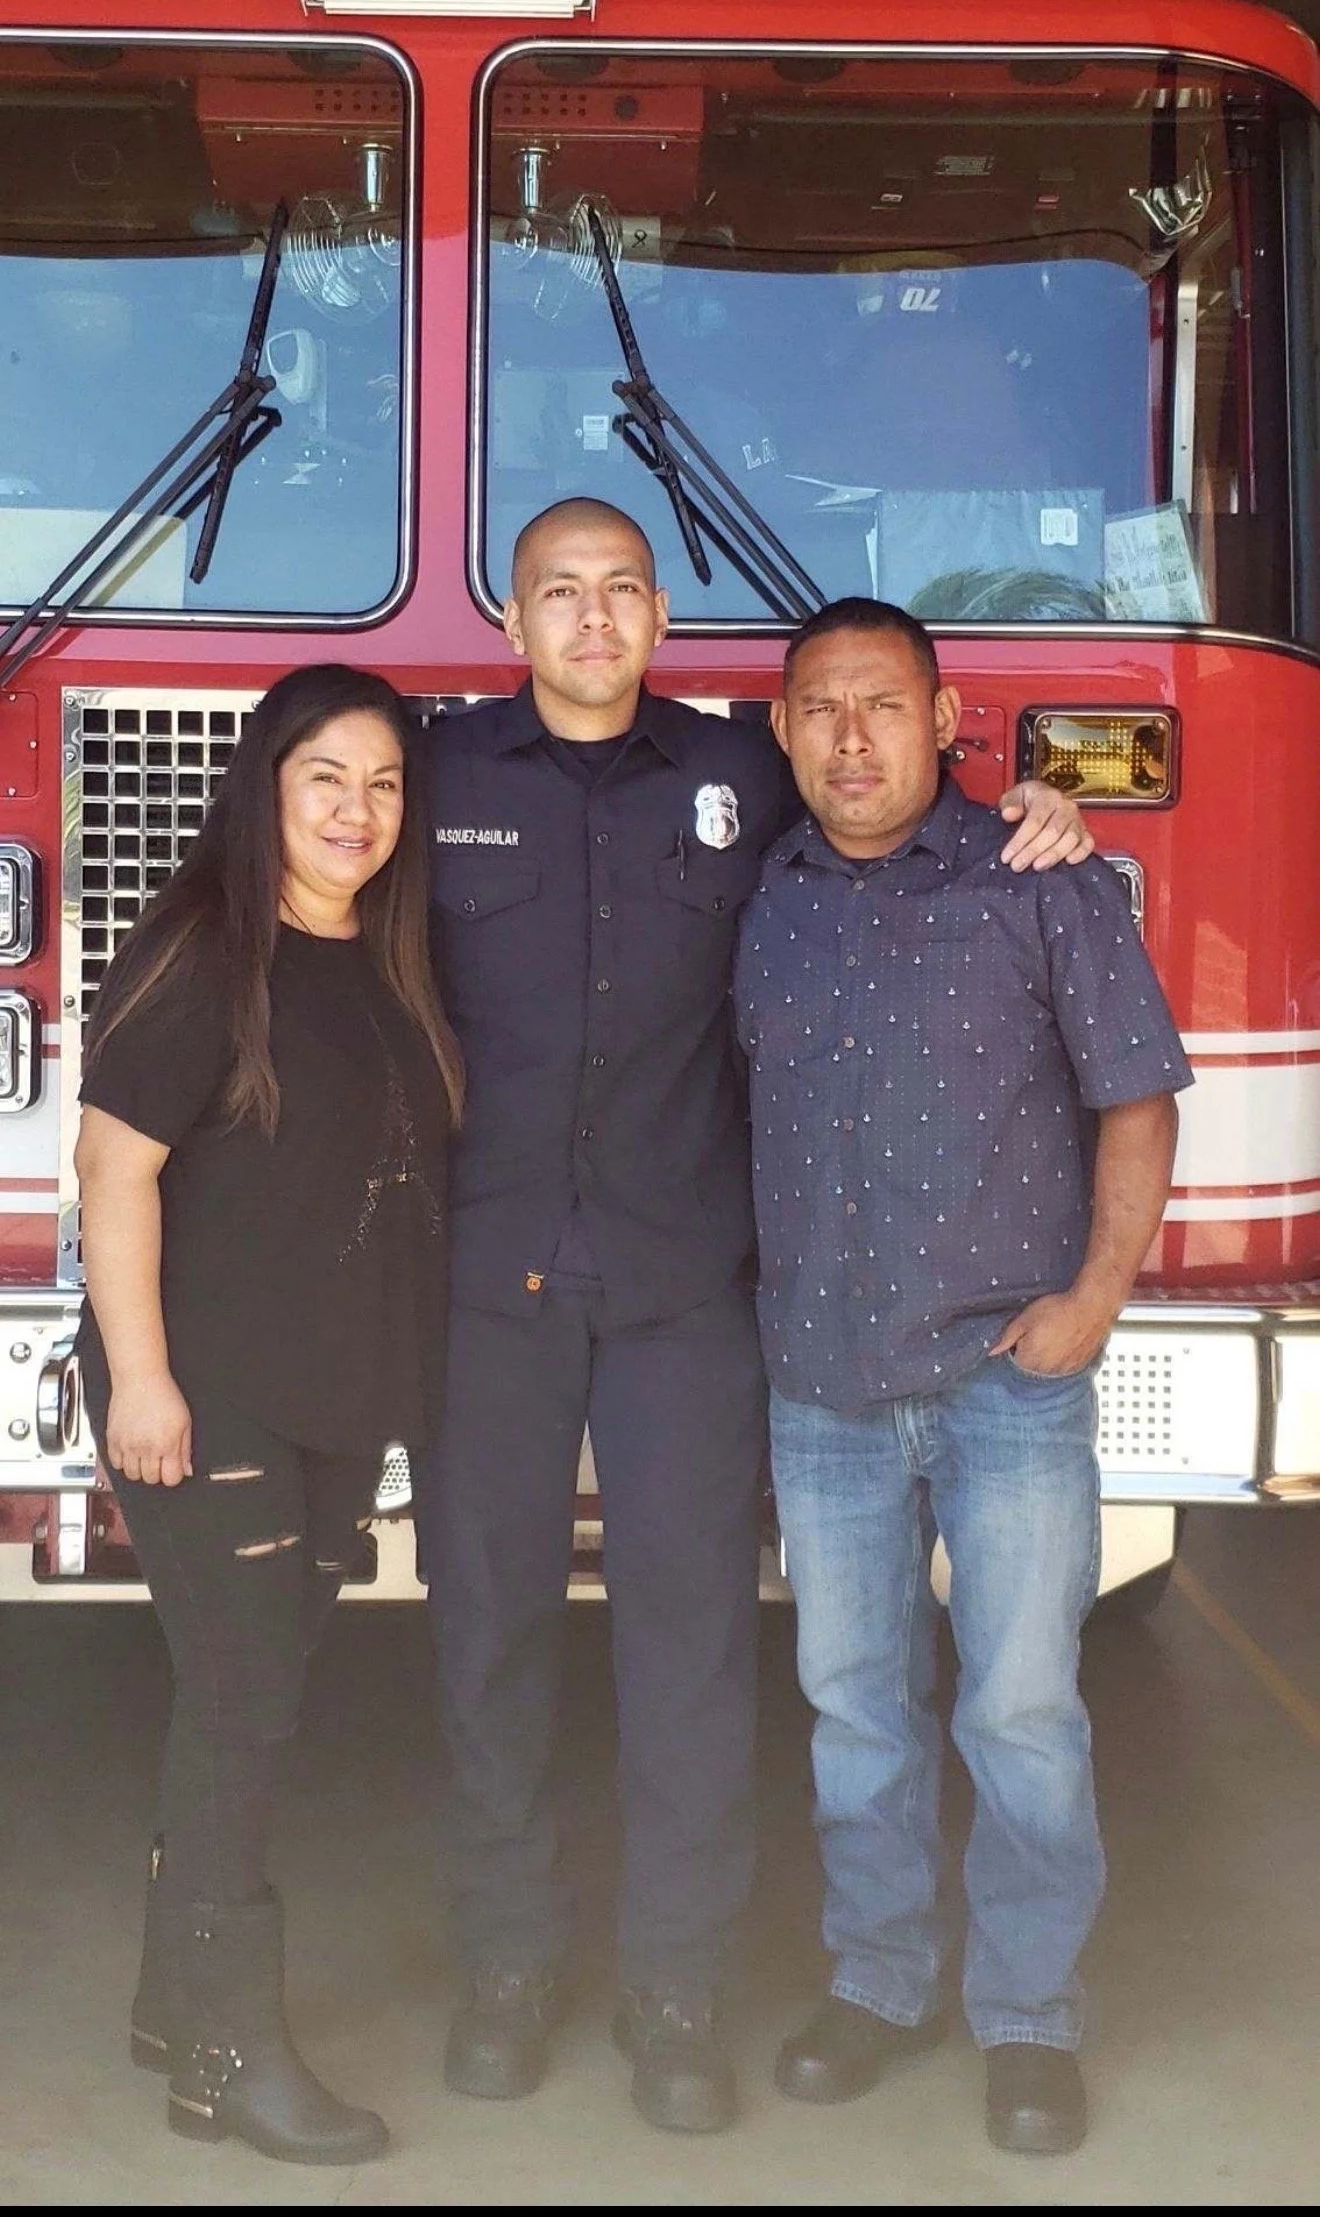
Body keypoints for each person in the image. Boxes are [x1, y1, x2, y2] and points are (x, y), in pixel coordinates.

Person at [415, 500, 1093, 2135]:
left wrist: (1051, 815)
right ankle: (507, 1968)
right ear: (511, 621)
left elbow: (909, 804)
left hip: (685, 1303)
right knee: (487, 1642)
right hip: (487, 1294)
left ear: (662, 614)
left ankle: (676, 1989)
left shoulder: (754, 768)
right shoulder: (429, 775)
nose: (592, 620)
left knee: (695, 1655)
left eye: (622, 592)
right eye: (559, 595)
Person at [733, 597, 1192, 2155]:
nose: (850, 737)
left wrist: (1099, 1296)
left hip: (1010, 1379)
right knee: (856, 1710)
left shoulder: (1038, 874)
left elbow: (1137, 1096)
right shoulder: (759, 891)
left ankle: (1028, 2010)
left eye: (882, 705)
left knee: (1021, 1710)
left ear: (945, 720)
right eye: (819, 708)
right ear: (782, 728)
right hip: (823, 1380)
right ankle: (877, 1985)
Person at [75, 665, 462, 2166]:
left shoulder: (387, 955)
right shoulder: (202, 953)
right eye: (326, 779)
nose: (356, 811)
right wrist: (147, 1377)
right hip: (207, 1385)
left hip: (329, 1389)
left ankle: (175, 2001)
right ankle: (227, 2061)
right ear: (265, 788)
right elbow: (116, 1175)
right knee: (246, 1702)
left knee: (249, 1694)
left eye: (381, 784)